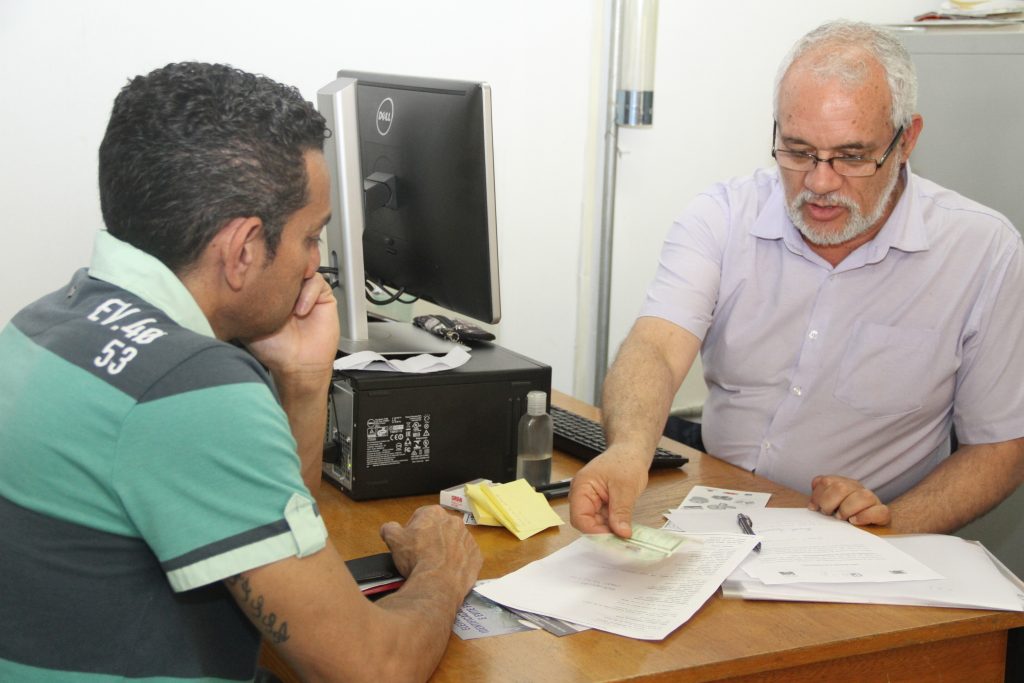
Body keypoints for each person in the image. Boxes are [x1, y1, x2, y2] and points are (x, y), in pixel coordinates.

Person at [0, 62, 481, 682]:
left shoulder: (43, 324)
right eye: (312, 238)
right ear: (244, 249)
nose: (315, 265)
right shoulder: (188, 387)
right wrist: (441, 574)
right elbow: (371, 670)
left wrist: (306, 382)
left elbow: (272, 531)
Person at [570, 20, 1024, 539]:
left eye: (851, 156)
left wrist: (888, 532)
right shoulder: (723, 215)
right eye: (798, 151)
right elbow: (655, 346)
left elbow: (1002, 448)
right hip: (714, 516)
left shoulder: (982, 251)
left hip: (863, 539)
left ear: (906, 141)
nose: (820, 182)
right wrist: (630, 450)